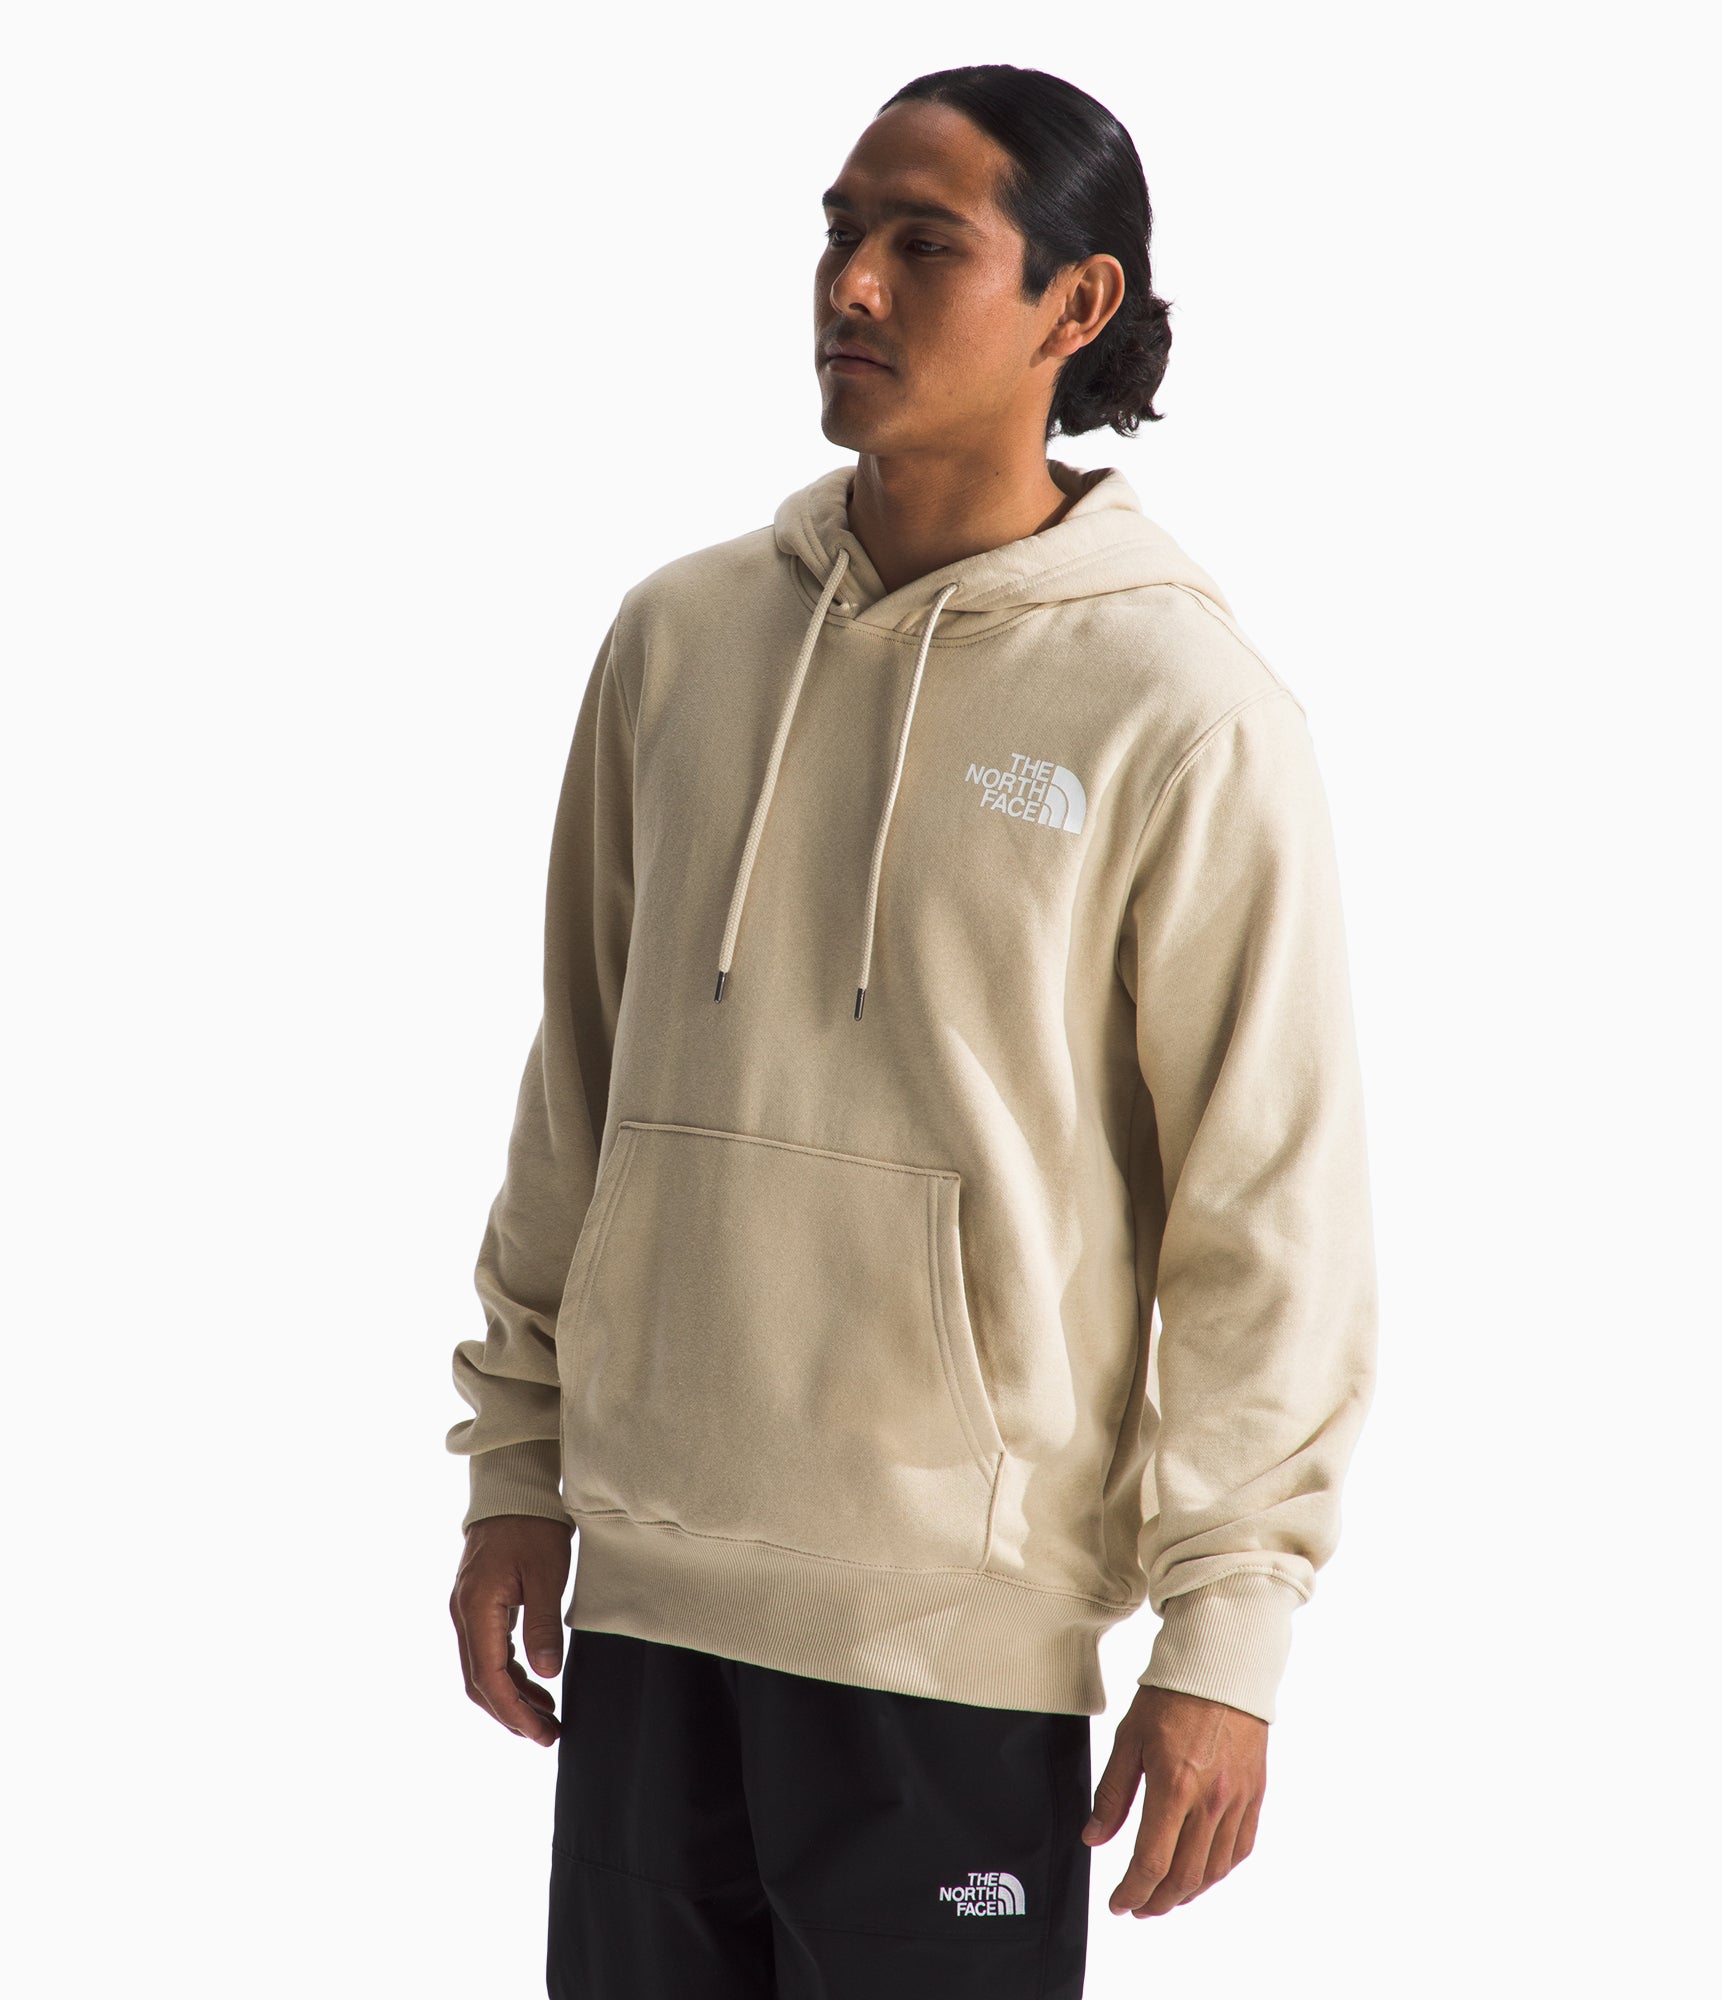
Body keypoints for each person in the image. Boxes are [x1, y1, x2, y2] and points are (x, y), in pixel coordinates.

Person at [445, 61, 1379, 2000]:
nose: (850, 285)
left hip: (954, 1652)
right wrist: (516, 1464)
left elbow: (1265, 1210)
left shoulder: (1183, 708)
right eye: (839, 233)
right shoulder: (680, 641)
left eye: (922, 245)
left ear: (1074, 304)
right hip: (647, 1609)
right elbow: (579, 1087)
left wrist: (1227, 1639)